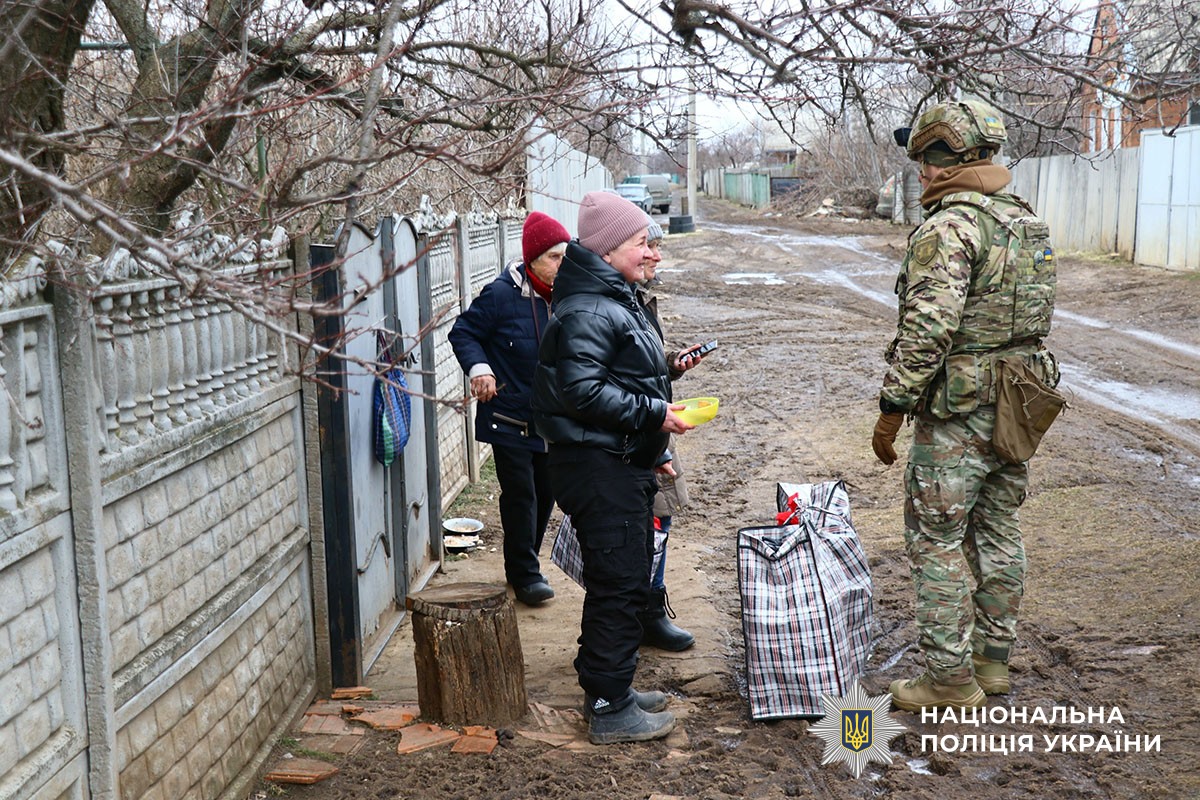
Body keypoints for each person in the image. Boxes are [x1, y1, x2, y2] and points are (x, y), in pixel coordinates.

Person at [873, 99, 1060, 712]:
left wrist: (892, 406)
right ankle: (992, 662)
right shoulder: (1023, 220)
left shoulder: (949, 226)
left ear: (945, 160)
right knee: (1000, 528)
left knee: (936, 536)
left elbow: (930, 327)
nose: (920, 173)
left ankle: (950, 681)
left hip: (959, 412)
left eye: (925, 160)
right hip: (1016, 402)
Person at [532, 191, 693, 744]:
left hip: (615, 459)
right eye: (642, 242)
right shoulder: (589, 307)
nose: (653, 253)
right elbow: (582, 390)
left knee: (620, 580)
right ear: (607, 249)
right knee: (621, 584)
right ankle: (608, 705)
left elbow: (618, 376)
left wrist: (656, 443)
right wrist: (657, 415)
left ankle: (611, 688)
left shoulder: (610, 297)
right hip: (597, 466)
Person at [448, 211, 571, 606]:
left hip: (552, 419)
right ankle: (524, 573)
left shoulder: (568, 296)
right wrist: (480, 369)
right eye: (555, 257)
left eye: (566, 256)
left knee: (546, 491)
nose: (562, 265)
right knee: (521, 495)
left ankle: (527, 560)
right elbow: (463, 331)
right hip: (508, 415)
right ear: (533, 257)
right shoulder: (501, 295)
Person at [635, 218, 705, 651]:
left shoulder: (638, 297)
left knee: (661, 515)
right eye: (648, 246)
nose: (657, 256)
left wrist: (672, 361)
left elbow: (641, 355)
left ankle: (649, 608)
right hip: (639, 425)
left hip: (652, 421)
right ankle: (645, 614)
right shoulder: (612, 298)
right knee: (651, 517)